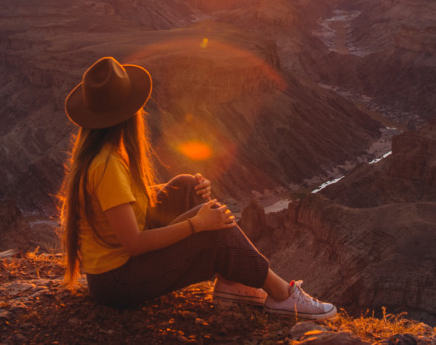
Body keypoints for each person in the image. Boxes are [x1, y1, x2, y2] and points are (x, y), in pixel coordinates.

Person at [57, 56, 337, 319]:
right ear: (129, 115)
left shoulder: (102, 155)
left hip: (114, 273)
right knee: (213, 234)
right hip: (118, 283)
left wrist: (183, 193)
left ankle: (231, 280)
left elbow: (119, 202)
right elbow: (134, 243)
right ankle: (282, 294)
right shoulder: (107, 166)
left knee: (186, 186)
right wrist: (196, 225)